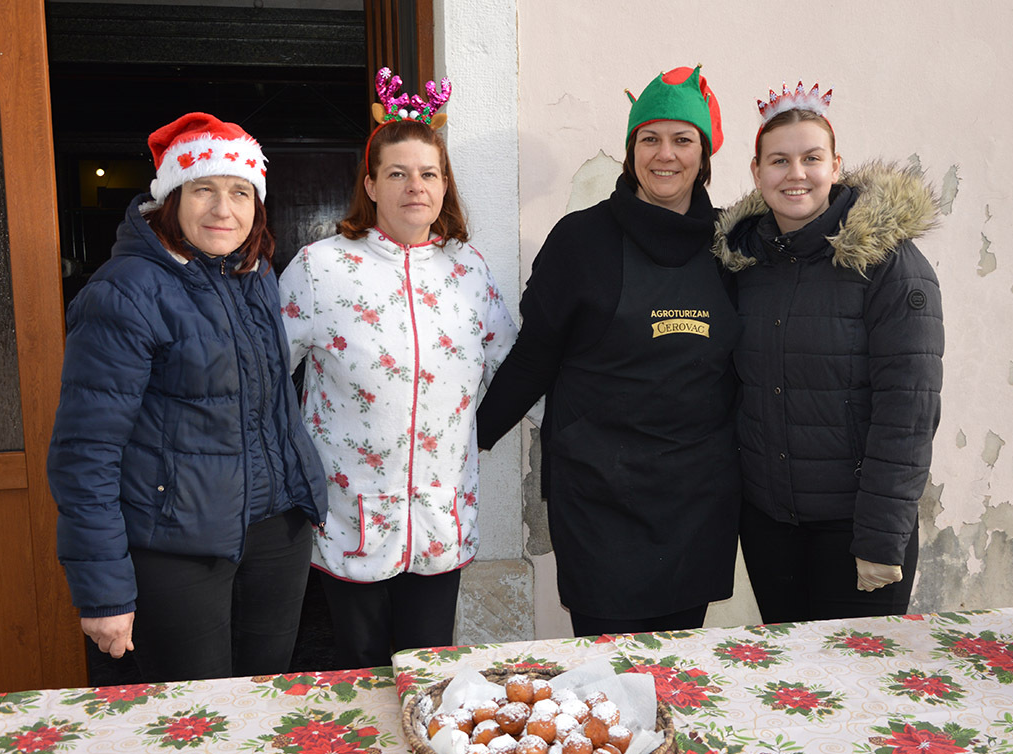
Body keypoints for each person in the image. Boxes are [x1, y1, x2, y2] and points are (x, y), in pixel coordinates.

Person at [47, 113, 328, 682]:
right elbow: (86, 452)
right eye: (204, 189)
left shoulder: (254, 275)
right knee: (192, 723)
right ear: (171, 198)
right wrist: (103, 592)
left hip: (275, 535)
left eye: (240, 192)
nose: (224, 210)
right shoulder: (125, 291)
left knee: (262, 702)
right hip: (177, 545)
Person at [474, 66, 741, 637]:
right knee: (608, 682)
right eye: (649, 138)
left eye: (682, 139)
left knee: (676, 670)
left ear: (705, 154)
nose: (664, 154)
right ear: (630, 150)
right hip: (599, 498)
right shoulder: (579, 240)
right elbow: (533, 358)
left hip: (697, 500)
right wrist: (468, 439)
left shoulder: (733, 244)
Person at [279, 68, 517, 669]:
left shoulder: (468, 271)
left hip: (440, 517)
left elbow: (513, 365)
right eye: (398, 173)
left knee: (430, 668)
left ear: (445, 187)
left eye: (429, 174)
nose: (416, 186)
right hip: (350, 515)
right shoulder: (319, 268)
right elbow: (263, 378)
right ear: (371, 185)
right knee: (358, 669)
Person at [713, 82, 944, 623]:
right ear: (756, 172)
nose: (796, 174)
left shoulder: (888, 264)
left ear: (835, 165)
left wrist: (880, 540)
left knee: (857, 692)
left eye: (811, 158)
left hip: (856, 531)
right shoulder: (743, 263)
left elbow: (907, 411)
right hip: (771, 530)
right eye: (779, 160)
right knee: (792, 691)